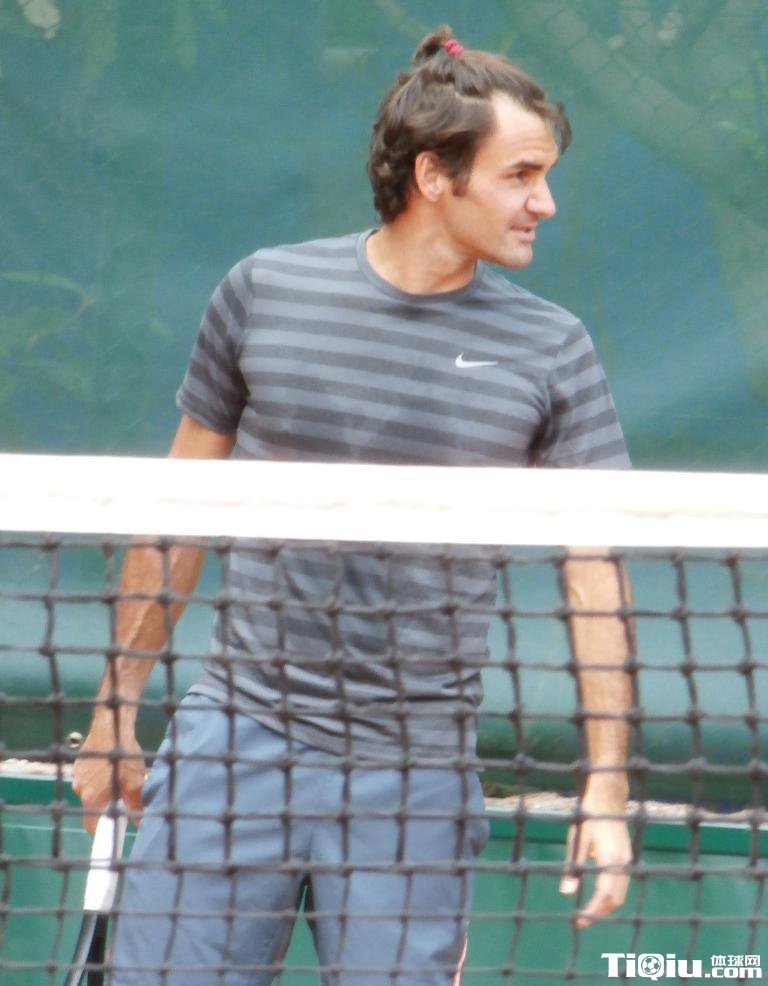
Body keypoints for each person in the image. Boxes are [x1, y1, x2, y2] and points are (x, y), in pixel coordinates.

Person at [73, 25, 633, 986]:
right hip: (233, 750)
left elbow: (595, 573)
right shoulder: (263, 290)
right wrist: (113, 711)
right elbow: (178, 511)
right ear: (433, 175)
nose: (544, 201)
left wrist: (609, 786)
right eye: (521, 175)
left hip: (414, 783)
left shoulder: (555, 349)